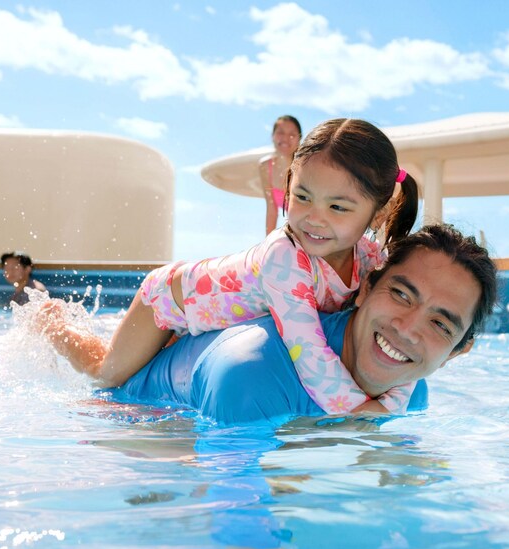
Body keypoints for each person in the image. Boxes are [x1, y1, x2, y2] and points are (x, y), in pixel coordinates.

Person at [40, 118, 421, 414]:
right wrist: (361, 411)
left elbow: (406, 348)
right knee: (106, 373)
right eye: (302, 197)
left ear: (379, 213)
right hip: (171, 301)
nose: (313, 218)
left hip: (213, 318)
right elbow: (308, 353)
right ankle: (52, 324)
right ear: (288, 186)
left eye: (337, 207)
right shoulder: (284, 258)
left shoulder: (372, 260)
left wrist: (392, 401)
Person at [107, 223, 499, 425]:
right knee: (100, 369)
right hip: (132, 417)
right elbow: (228, 508)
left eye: (440, 325)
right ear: (365, 287)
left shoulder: (410, 394)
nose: (407, 329)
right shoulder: (251, 373)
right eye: (401, 295)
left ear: (457, 352)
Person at [258, 115, 302, 235]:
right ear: (273, 136)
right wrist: (268, 242)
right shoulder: (265, 167)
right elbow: (271, 209)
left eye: (292, 134)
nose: (285, 138)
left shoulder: (304, 168)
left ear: (299, 139)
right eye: (281, 133)